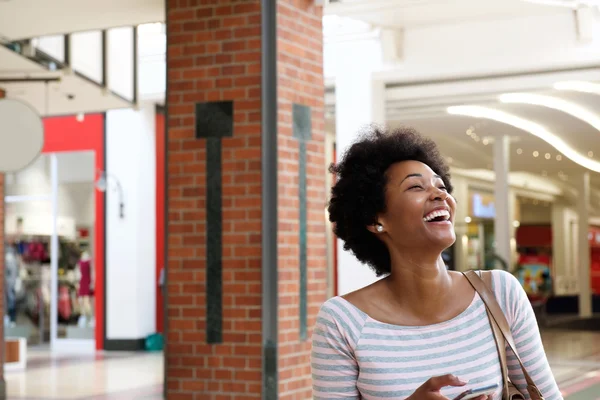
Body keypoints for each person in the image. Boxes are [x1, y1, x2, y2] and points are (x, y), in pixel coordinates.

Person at [311, 127, 562, 400]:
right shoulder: (342, 321)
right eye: (416, 186)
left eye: (441, 186)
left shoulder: (499, 293)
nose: (439, 195)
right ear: (375, 220)